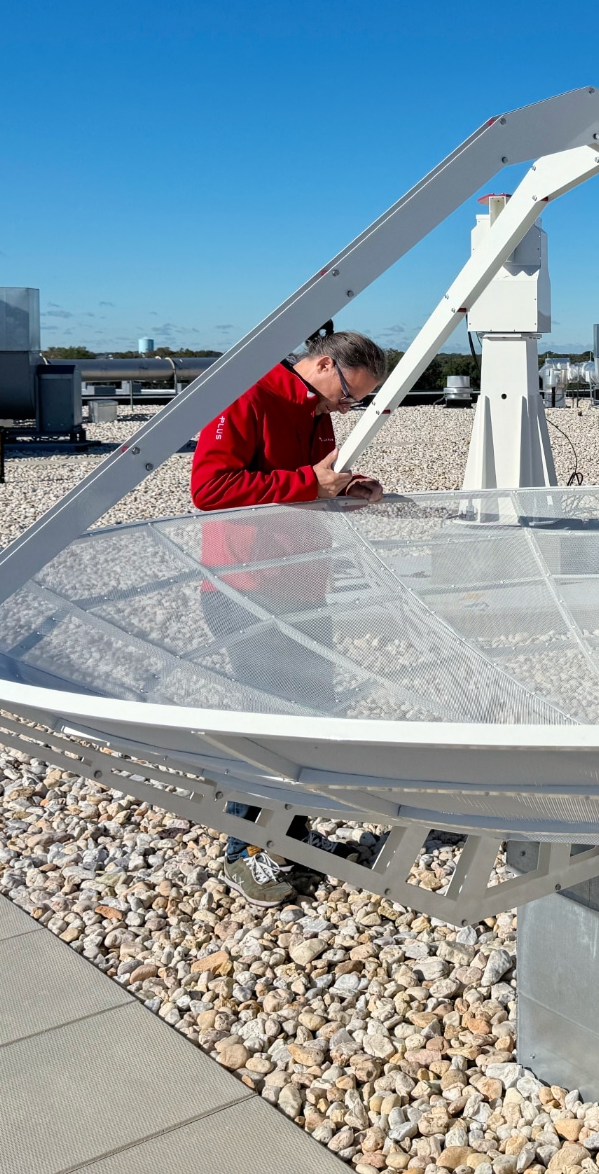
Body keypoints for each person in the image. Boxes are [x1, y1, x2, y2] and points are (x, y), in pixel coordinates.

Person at [191, 328, 387, 905]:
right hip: (246, 587)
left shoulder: (313, 410)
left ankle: (291, 836)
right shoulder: (248, 397)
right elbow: (209, 488)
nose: (346, 409)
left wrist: (345, 488)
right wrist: (311, 482)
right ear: (324, 364)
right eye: (348, 395)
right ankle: (244, 851)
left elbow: (304, 486)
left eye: (356, 402)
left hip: (301, 585)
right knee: (270, 721)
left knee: (308, 716)